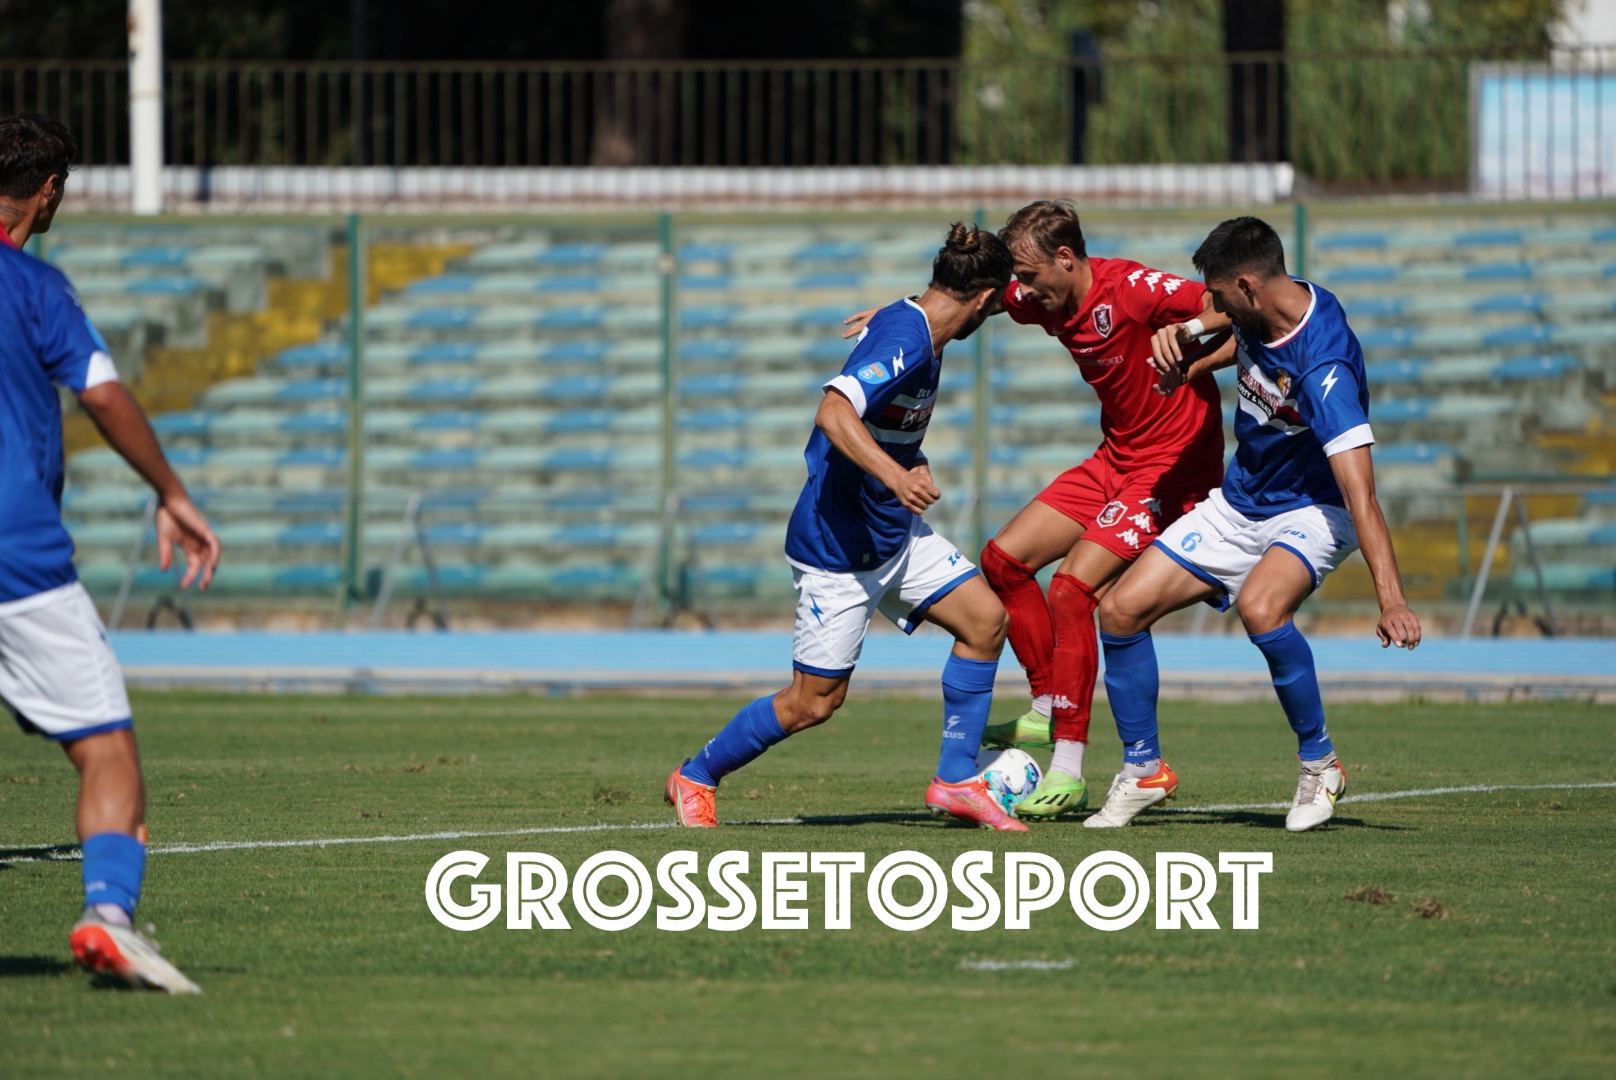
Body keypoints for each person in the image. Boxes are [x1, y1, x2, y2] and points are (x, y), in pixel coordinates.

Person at [843, 201, 1232, 821]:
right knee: (1004, 560)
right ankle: (1050, 705)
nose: (1019, 290)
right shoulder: (1037, 296)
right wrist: (902, 317)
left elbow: (1234, 309)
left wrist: (1192, 338)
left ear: (1066, 258)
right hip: (1116, 458)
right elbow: (975, 298)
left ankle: (1069, 769)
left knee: (1072, 590)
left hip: (1171, 466)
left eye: (1027, 275)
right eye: (1015, 279)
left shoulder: (1132, 289)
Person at [665, 224, 1027, 831]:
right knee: (813, 703)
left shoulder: (914, 323)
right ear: (984, 298)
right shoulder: (907, 340)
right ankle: (695, 776)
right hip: (837, 545)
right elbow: (833, 412)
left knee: (985, 621)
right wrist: (897, 474)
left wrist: (909, 459)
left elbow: (890, 409)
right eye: (998, 305)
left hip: (891, 532)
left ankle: (956, 780)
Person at [1088, 215, 1421, 831]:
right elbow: (1238, 333)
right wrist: (1190, 353)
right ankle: (1143, 769)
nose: (1208, 305)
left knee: (1261, 608)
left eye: (1215, 294)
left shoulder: (1324, 370)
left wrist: (1391, 599)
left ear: (1246, 286)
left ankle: (1320, 764)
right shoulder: (1274, 301)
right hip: (1241, 500)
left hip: (1314, 509)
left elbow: (1362, 494)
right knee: (1119, 611)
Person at [0, 114, 220, 990]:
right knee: (105, 746)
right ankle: (110, 918)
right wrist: (172, 492)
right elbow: (101, 392)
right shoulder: (33, 286)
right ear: (49, 191)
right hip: (16, 555)